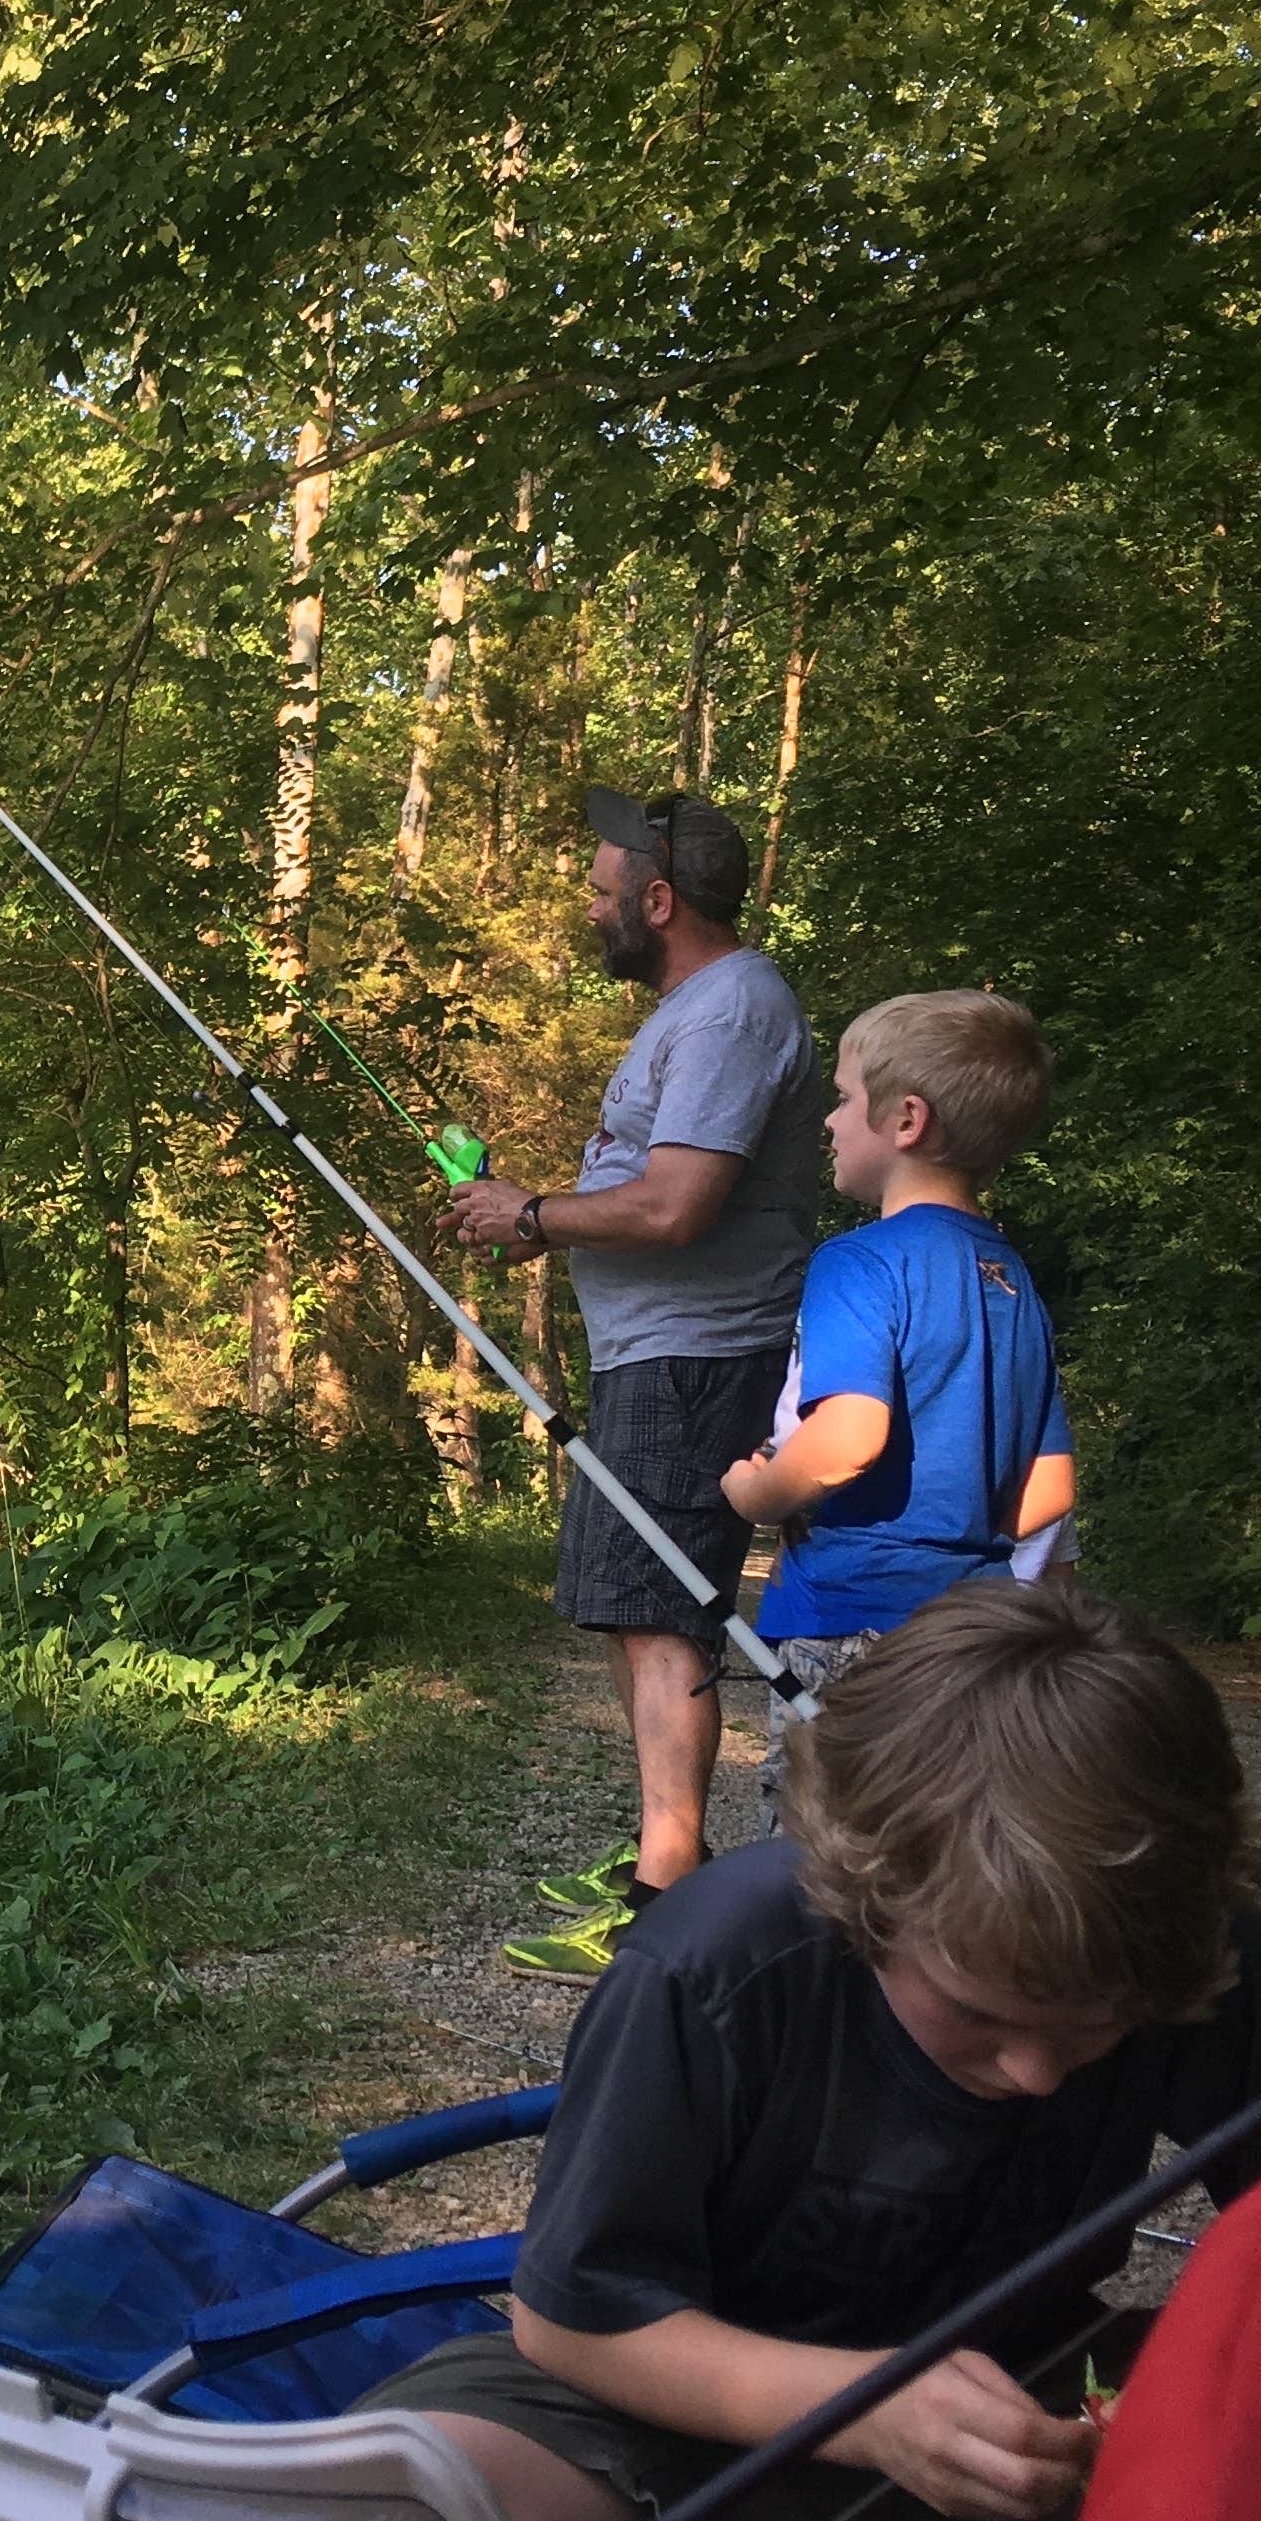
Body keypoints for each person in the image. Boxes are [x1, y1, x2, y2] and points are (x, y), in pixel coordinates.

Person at [362, 1581, 1261, 2521]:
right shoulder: (716, 1961)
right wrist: (872, 2411)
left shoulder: (1192, 1946)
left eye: (1101, 2028)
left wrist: (1180, 2414)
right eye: (986, 2019)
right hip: (697, 2416)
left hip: (1060, 2413)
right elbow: (576, 2324)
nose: (1040, 2071)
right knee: (393, 2510)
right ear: (865, 1894)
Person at [446, 787, 819, 1981]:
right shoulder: (697, 1009)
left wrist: (537, 1216)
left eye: (604, 892)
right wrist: (532, 1218)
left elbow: (675, 1206)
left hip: (698, 1355)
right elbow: (644, 1189)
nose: (589, 906)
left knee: (662, 1616)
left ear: (660, 902)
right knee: (631, 1605)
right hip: (657, 1352)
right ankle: (675, 1848)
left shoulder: (734, 1009)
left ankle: (667, 1904)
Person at [720, 989, 1078, 1801]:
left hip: (850, 1620)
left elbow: (847, 1440)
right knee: (939, 1831)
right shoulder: (1012, 1280)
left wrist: (754, 1496)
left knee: (826, 1834)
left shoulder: (861, 1263)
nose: (829, 1121)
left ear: (907, 1120)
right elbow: (1051, 1489)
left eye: (844, 1099)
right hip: (977, 1633)